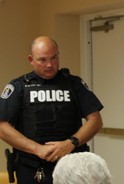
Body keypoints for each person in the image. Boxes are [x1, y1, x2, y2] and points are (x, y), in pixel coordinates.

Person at [0, 36, 104, 184]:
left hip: (72, 167)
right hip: (32, 167)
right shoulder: (19, 87)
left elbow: (95, 120)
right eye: (42, 60)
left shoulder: (74, 84)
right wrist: (37, 149)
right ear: (31, 59)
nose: (50, 64)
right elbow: (2, 127)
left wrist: (70, 143)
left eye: (54, 58)